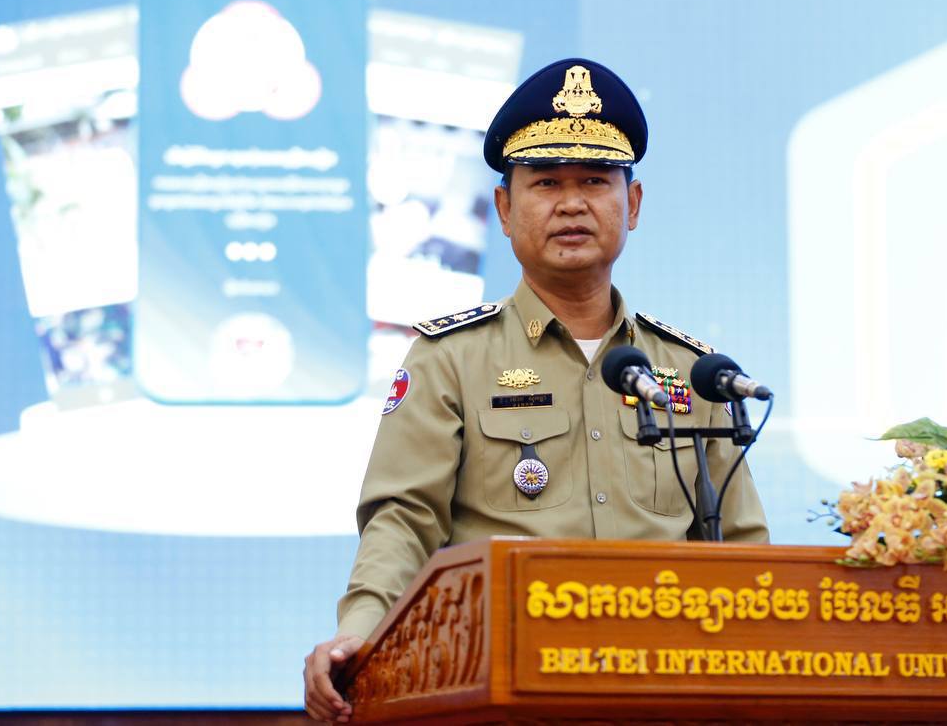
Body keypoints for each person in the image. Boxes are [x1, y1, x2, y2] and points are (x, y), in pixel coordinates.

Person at [303, 58, 770, 723]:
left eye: (595, 181)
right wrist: (360, 628)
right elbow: (403, 521)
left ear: (633, 204)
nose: (572, 203)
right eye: (546, 181)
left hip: (666, 691)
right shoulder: (451, 358)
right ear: (503, 208)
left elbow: (743, 549)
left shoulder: (693, 372)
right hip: (502, 686)